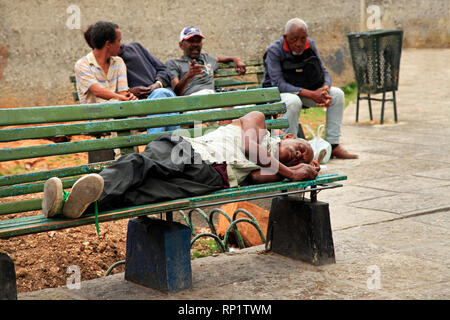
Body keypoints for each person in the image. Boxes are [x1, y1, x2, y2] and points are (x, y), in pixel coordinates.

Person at [42, 111, 320, 219]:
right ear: (289, 136)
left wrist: (292, 176)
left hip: (210, 177)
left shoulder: (276, 168)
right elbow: (249, 147)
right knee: (140, 164)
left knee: (142, 194)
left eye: (301, 159)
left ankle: (76, 205)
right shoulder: (258, 121)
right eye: (300, 149)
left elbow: (257, 178)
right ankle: (69, 198)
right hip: (189, 151)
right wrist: (292, 172)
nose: (297, 156)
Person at [262, 18, 358, 159]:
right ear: (285, 37)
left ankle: (333, 144)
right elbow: (278, 84)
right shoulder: (274, 50)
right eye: (294, 39)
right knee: (293, 101)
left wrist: (325, 88)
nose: (299, 44)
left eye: (303, 39)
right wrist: (312, 94)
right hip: (277, 94)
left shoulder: (310, 45)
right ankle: (290, 148)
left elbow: (323, 71)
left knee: (337, 95)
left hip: (305, 91)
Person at [83, 25, 178, 133]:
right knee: (164, 102)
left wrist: (157, 84)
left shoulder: (134, 49)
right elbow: (110, 94)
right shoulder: (104, 64)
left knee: (162, 96)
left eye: (119, 40)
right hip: (137, 106)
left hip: (161, 94)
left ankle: (155, 146)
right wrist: (132, 92)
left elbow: (163, 70)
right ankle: (159, 146)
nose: (120, 44)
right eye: (118, 40)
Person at [166, 26, 247, 96]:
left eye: (198, 41)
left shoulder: (207, 59)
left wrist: (236, 59)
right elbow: (176, 93)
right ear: (181, 45)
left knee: (251, 107)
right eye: (191, 41)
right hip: (192, 102)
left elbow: (218, 59)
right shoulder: (174, 63)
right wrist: (188, 76)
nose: (195, 44)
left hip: (213, 97)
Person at [75, 21, 137, 104]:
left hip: (117, 114)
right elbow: (97, 91)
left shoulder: (119, 62)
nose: (120, 45)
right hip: (95, 115)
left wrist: (128, 97)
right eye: (118, 41)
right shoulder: (82, 64)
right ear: (108, 44)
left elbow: (123, 92)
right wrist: (121, 97)